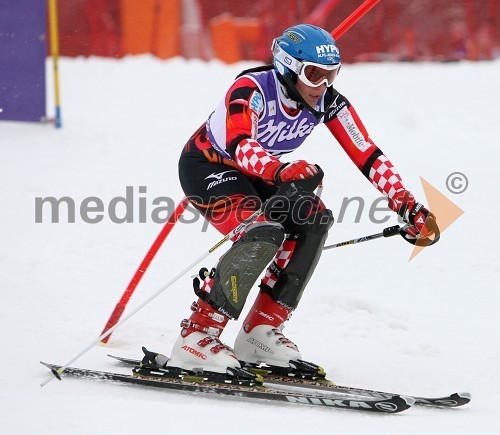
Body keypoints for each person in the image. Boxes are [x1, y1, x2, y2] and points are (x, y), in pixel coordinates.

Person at [169, 24, 439, 374]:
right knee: (261, 232)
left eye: (331, 75)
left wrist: (404, 202)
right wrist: (281, 171)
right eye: (314, 75)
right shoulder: (250, 89)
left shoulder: (328, 102)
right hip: (210, 167)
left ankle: (260, 330)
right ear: (287, 66)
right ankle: (197, 334)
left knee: (313, 220)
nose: (323, 86)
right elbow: (240, 144)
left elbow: (366, 152)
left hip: (266, 172)